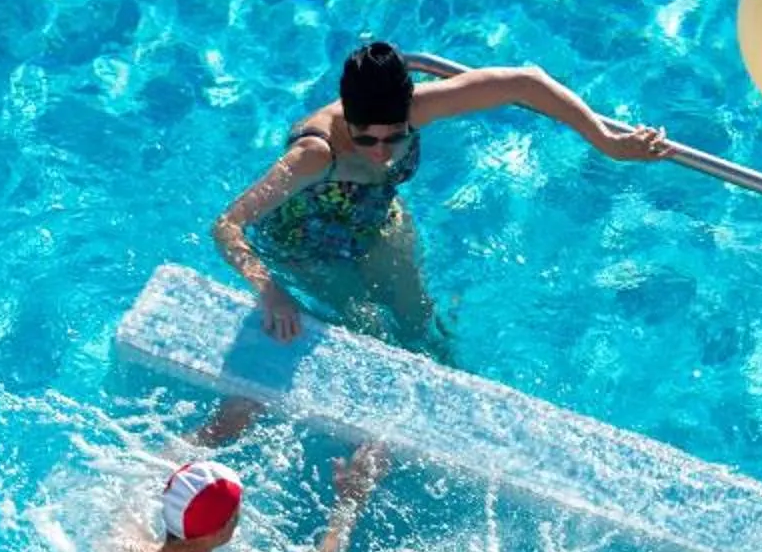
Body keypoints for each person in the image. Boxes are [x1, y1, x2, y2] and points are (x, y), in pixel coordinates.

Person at [214, 37, 668, 347]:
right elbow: (228, 226)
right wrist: (269, 291)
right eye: (367, 139)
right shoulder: (316, 153)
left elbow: (526, 82)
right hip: (304, 246)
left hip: (376, 222)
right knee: (369, 326)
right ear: (346, 119)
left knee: (419, 321)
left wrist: (609, 143)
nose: (382, 153)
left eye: (394, 138)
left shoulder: (419, 107)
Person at [125, 440, 388, 552]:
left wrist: (215, 429)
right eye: (236, 513)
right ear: (219, 533)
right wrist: (351, 500)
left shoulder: (125, 550)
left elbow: (138, 480)